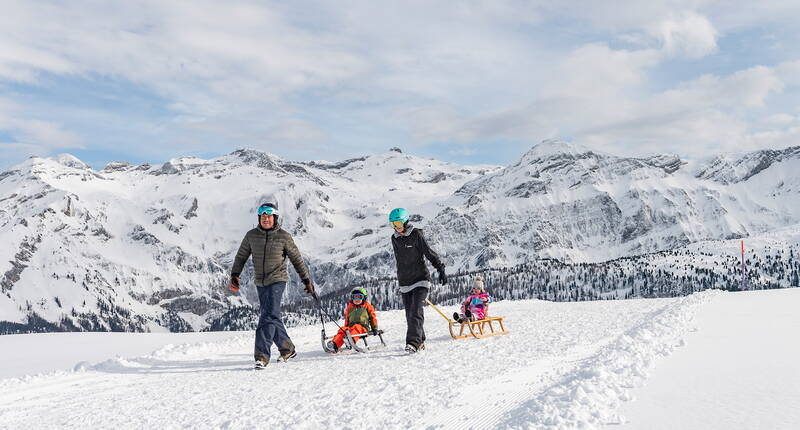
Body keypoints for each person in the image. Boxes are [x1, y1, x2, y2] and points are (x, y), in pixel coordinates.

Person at [230, 202, 315, 369]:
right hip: (260, 281)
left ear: (275, 218)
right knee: (272, 315)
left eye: (269, 216)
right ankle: (287, 348)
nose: (266, 219)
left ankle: (262, 356)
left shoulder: (284, 236)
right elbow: (241, 256)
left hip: (278, 279)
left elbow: (297, 259)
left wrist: (306, 280)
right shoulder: (251, 236)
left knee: (267, 316)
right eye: (263, 216)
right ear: (259, 218)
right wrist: (235, 274)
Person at [389, 207, 446, 353]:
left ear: (405, 221)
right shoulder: (394, 238)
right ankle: (420, 340)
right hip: (404, 282)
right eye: (393, 224)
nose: (396, 227)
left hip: (421, 279)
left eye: (398, 224)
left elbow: (428, 252)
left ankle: (413, 343)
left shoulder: (416, 235)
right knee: (409, 315)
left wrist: (440, 269)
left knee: (415, 311)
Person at [326, 288, 379, 353]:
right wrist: (345, 328)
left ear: (364, 298)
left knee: (357, 327)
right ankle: (335, 344)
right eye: (354, 297)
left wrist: (375, 328)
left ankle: (351, 341)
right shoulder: (350, 307)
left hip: (363, 328)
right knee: (342, 329)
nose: (356, 300)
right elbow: (347, 318)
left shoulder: (367, 306)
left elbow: (372, 317)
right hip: (350, 327)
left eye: (359, 297)